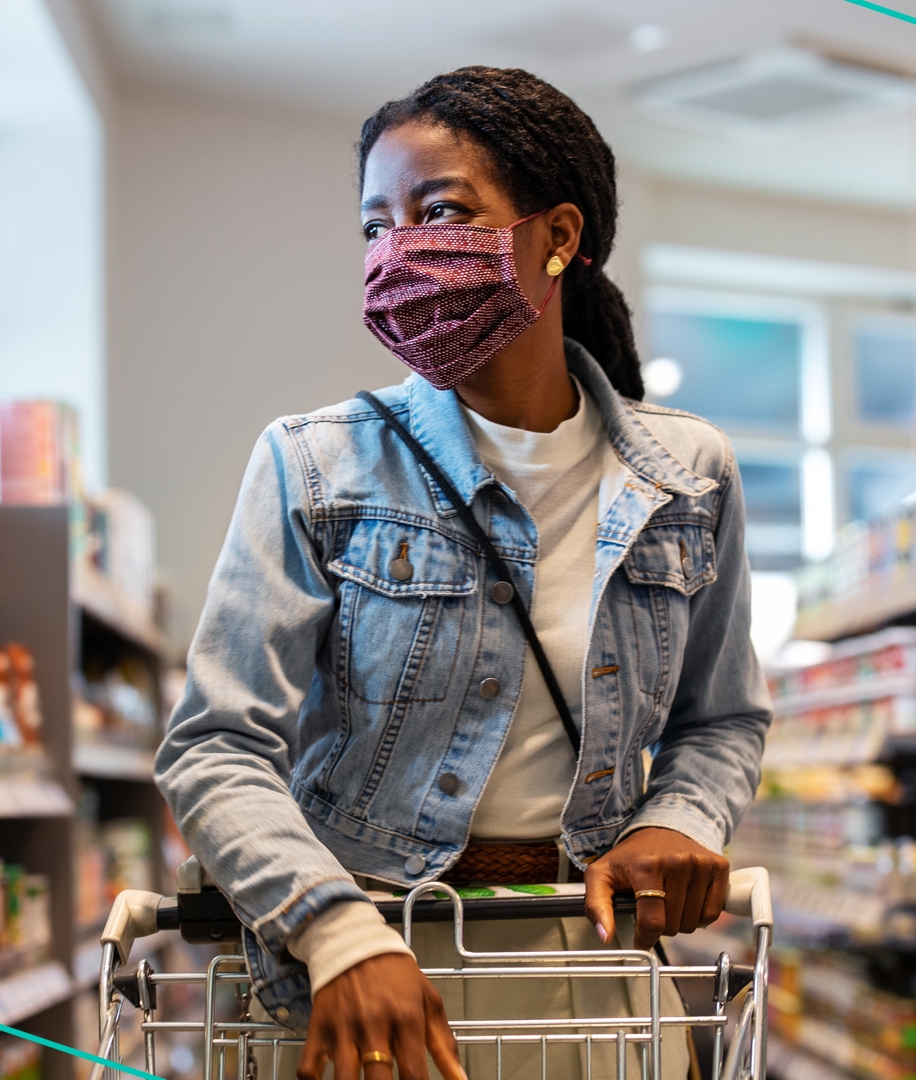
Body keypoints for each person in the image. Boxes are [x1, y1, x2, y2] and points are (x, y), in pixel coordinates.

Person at [157, 66, 769, 1080]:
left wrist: (678, 821)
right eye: (375, 227)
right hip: (362, 981)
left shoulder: (686, 474)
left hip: (592, 972)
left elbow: (724, 719)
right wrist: (338, 935)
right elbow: (215, 745)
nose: (398, 251)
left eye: (440, 212)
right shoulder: (316, 464)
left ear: (558, 235)